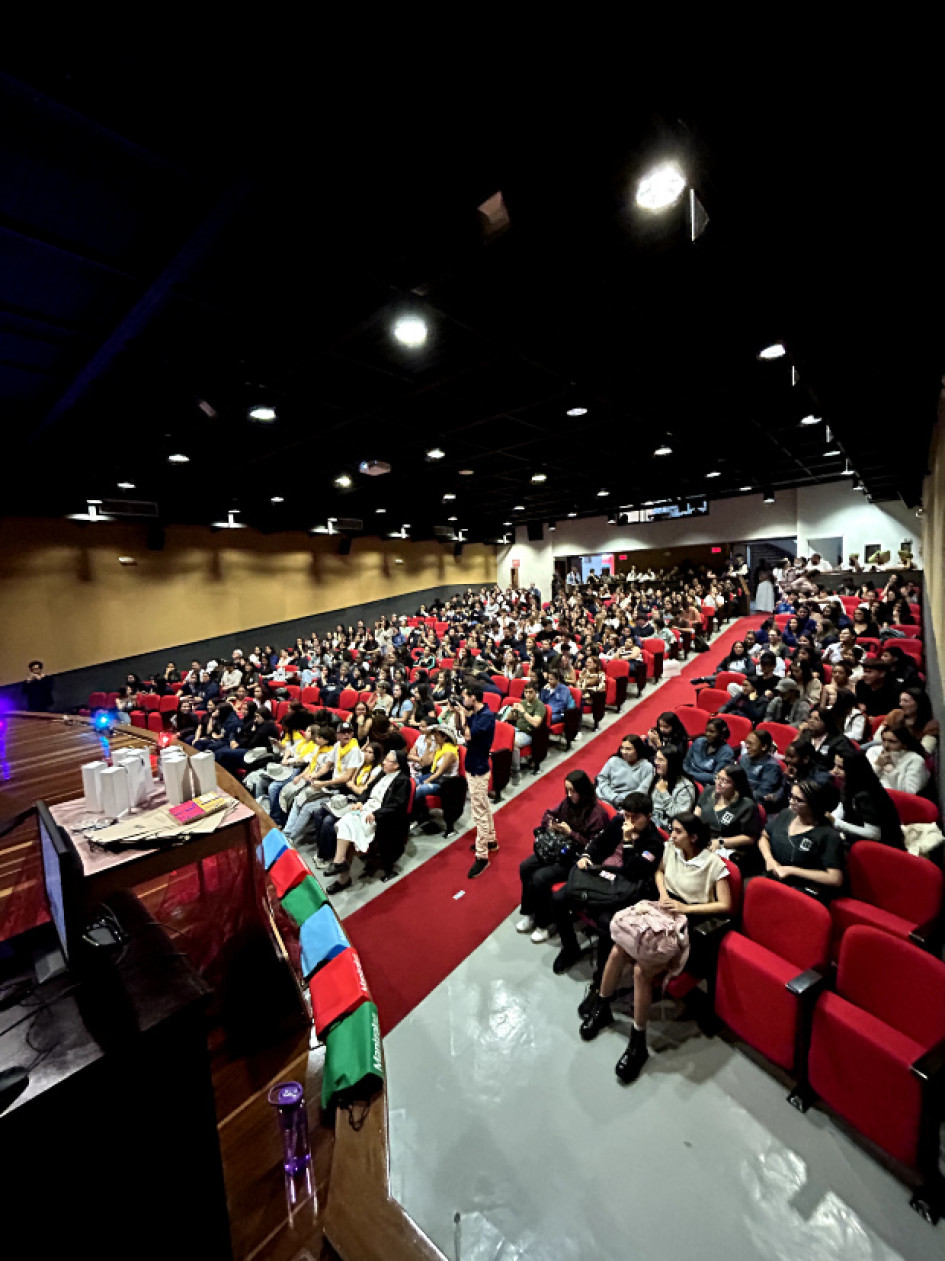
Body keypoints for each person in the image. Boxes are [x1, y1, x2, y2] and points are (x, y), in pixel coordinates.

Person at [579, 813, 731, 1083]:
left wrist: (686, 907)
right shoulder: (671, 849)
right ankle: (602, 1006)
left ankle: (638, 1041)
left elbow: (725, 906)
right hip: (662, 908)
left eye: (677, 832)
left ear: (693, 837)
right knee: (618, 949)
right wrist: (663, 894)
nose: (670, 836)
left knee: (640, 971)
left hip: (689, 920)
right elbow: (659, 872)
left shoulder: (714, 865)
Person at [552, 792, 665, 984]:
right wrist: (587, 856)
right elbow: (599, 842)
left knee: (606, 922)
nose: (628, 821)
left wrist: (628, 841)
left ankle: (601, 980)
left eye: (634, 817)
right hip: (600, 874)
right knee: (560, 899)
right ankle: (570, 948)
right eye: (626, 815)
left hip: (621, 887)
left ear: (648, 816)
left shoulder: (654, 843)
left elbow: (633, 872)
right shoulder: (618, 821)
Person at [517, 770, 610, 942]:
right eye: (567, 790)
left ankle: (544, 923)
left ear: (582, 790)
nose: (569, 795)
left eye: (572, 791)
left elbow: (594, 847)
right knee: (525, 867)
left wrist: (571, 833)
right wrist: (551, 824)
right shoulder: (567, 803)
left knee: (540, 877)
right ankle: (530, 912)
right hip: (558, 848)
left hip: (576, 858)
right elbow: (549, 814)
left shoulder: (597, 814)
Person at [324, 750, 412, 887]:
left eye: (388, 760)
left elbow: (397, 805)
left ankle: (342, 874)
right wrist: (360, 801)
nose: (384, 762)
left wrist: (377, 813)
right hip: (366, 809)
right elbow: (367, 790)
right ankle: (339, 863)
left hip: (381, 816)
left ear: (397, 765)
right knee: (345, 824)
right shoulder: (382, 773)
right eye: (385, 759)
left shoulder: (403, 781)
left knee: (348, 830)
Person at [758, 779, 844, 898]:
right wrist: (769, 859)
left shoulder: (828, 835)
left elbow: (835, 878)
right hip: (771, 878)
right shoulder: (786, 814)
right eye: (791, 796)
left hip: (800, 890)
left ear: (814, 804)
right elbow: (764, 836)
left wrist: (792, 870)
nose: (792, 802)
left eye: (798, 800)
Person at [457, 684, 497, 878]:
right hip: (473, 764)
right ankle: (491, 839)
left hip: (479, 768)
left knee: (479, 812)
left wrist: (464, 716)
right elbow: (461, 729)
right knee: (483, 805)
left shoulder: (487, 717)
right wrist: (461, 714)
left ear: (473, 697)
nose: (464, 700)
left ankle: (482, 856)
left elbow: (468, 735)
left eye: (465, 697)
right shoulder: (475, 713)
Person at [826, 749, 904, 848]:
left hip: (884, 844)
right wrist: (828, 820)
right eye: (835, 766)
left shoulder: (867, 795)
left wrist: (836, 823)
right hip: (859, 834)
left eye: (841, 768)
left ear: (853, 770)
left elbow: (874, 834)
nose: (834, 771)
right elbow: (842, 807)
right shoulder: (848, 784)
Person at [696, 764, 763, 873]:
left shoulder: (746, 805)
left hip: (727, 848)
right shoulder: (709, 791)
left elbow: (749, 838)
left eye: (725, 781)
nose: (719, 783)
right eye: (718, 778)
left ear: (736, 785)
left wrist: (721, 842)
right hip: (704, 840)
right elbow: (697, 814)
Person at [410, 726, 460, 828]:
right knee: (413, 782)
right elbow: (425, 763)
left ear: (445, 737)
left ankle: (418, 816)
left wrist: (426, 782)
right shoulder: (439, 747)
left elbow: (439, 773)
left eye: (437, 735)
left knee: (420, 789)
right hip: (435, 776)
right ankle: (421, 813)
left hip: (446, 783)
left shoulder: (449, 752)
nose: (434, 737)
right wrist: (428, 747)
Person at [866, 723, 930, 795]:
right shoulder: (873, 751)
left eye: (892, 742)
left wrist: (891, 770)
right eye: (884, 740)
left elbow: (909, 792)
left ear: (904, 745)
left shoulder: (915, 760)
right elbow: (863, 782)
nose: (886, 745)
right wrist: (877, 765)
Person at [500, 682, 547, 773]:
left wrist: (523, 711)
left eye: (530, 692)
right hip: (516, 729)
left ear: (536, 693)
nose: (527, 695)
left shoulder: (540, 705)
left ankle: (515, 769)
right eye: (526, 692)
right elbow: (512, 718)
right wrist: (512, 711)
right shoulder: (522, 702)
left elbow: (536, 723)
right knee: (501, 738)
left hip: (528, 733)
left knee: (512, 743)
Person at [648, 744, 698, 830]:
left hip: (669, 828)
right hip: (652, 820)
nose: (656, 762)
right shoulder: (659, 777)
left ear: (671, 763)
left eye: (661, 760)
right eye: (656, 758)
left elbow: (679, 816)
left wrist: (664, 792)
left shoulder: (686, 787)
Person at [596, 736, 655, 805]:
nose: (624, 752)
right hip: (605, 797)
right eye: (622, 748)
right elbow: (602, 779)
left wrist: (622, 799)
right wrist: (613, 797)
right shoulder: (613, 760)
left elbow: (642, 791)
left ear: (638, 750)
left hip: (628, 804)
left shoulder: (647, 767)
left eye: (628, 749)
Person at [683, 717, 735, 787]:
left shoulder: (727, 753)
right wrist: (686, 775)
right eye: (706, 731)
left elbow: (715, 777)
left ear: (721, 734)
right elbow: (686, 762)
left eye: (712, 732)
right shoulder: (699, 742)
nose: (707, 734)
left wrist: (690, 775)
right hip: (687, 779)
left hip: (707, 786)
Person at [738, 729, 784, 803]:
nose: (747, 747)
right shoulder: (744, 758)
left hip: (755, 803)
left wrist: (739, 796)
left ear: (763, 747)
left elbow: (763, 793)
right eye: (747, 743)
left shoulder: (772, 767)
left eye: (751, 744)